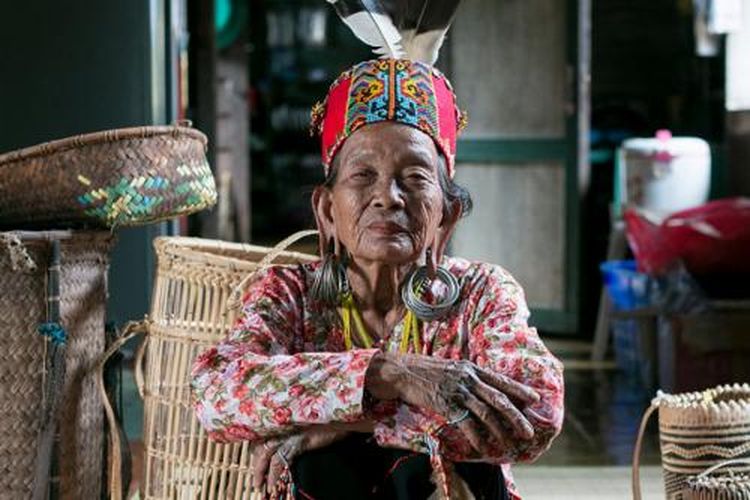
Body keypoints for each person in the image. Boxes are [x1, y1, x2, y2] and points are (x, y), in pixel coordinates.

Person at [191, 58, 564, 500]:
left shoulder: (482, 293)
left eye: (414, 177)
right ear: (327, 211)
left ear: (446, 214)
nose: (388, 197)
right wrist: (391, 374)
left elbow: (535, 412)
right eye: (363, 176)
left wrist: (349, 422)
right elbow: (215, 394)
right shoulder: (288, 293)